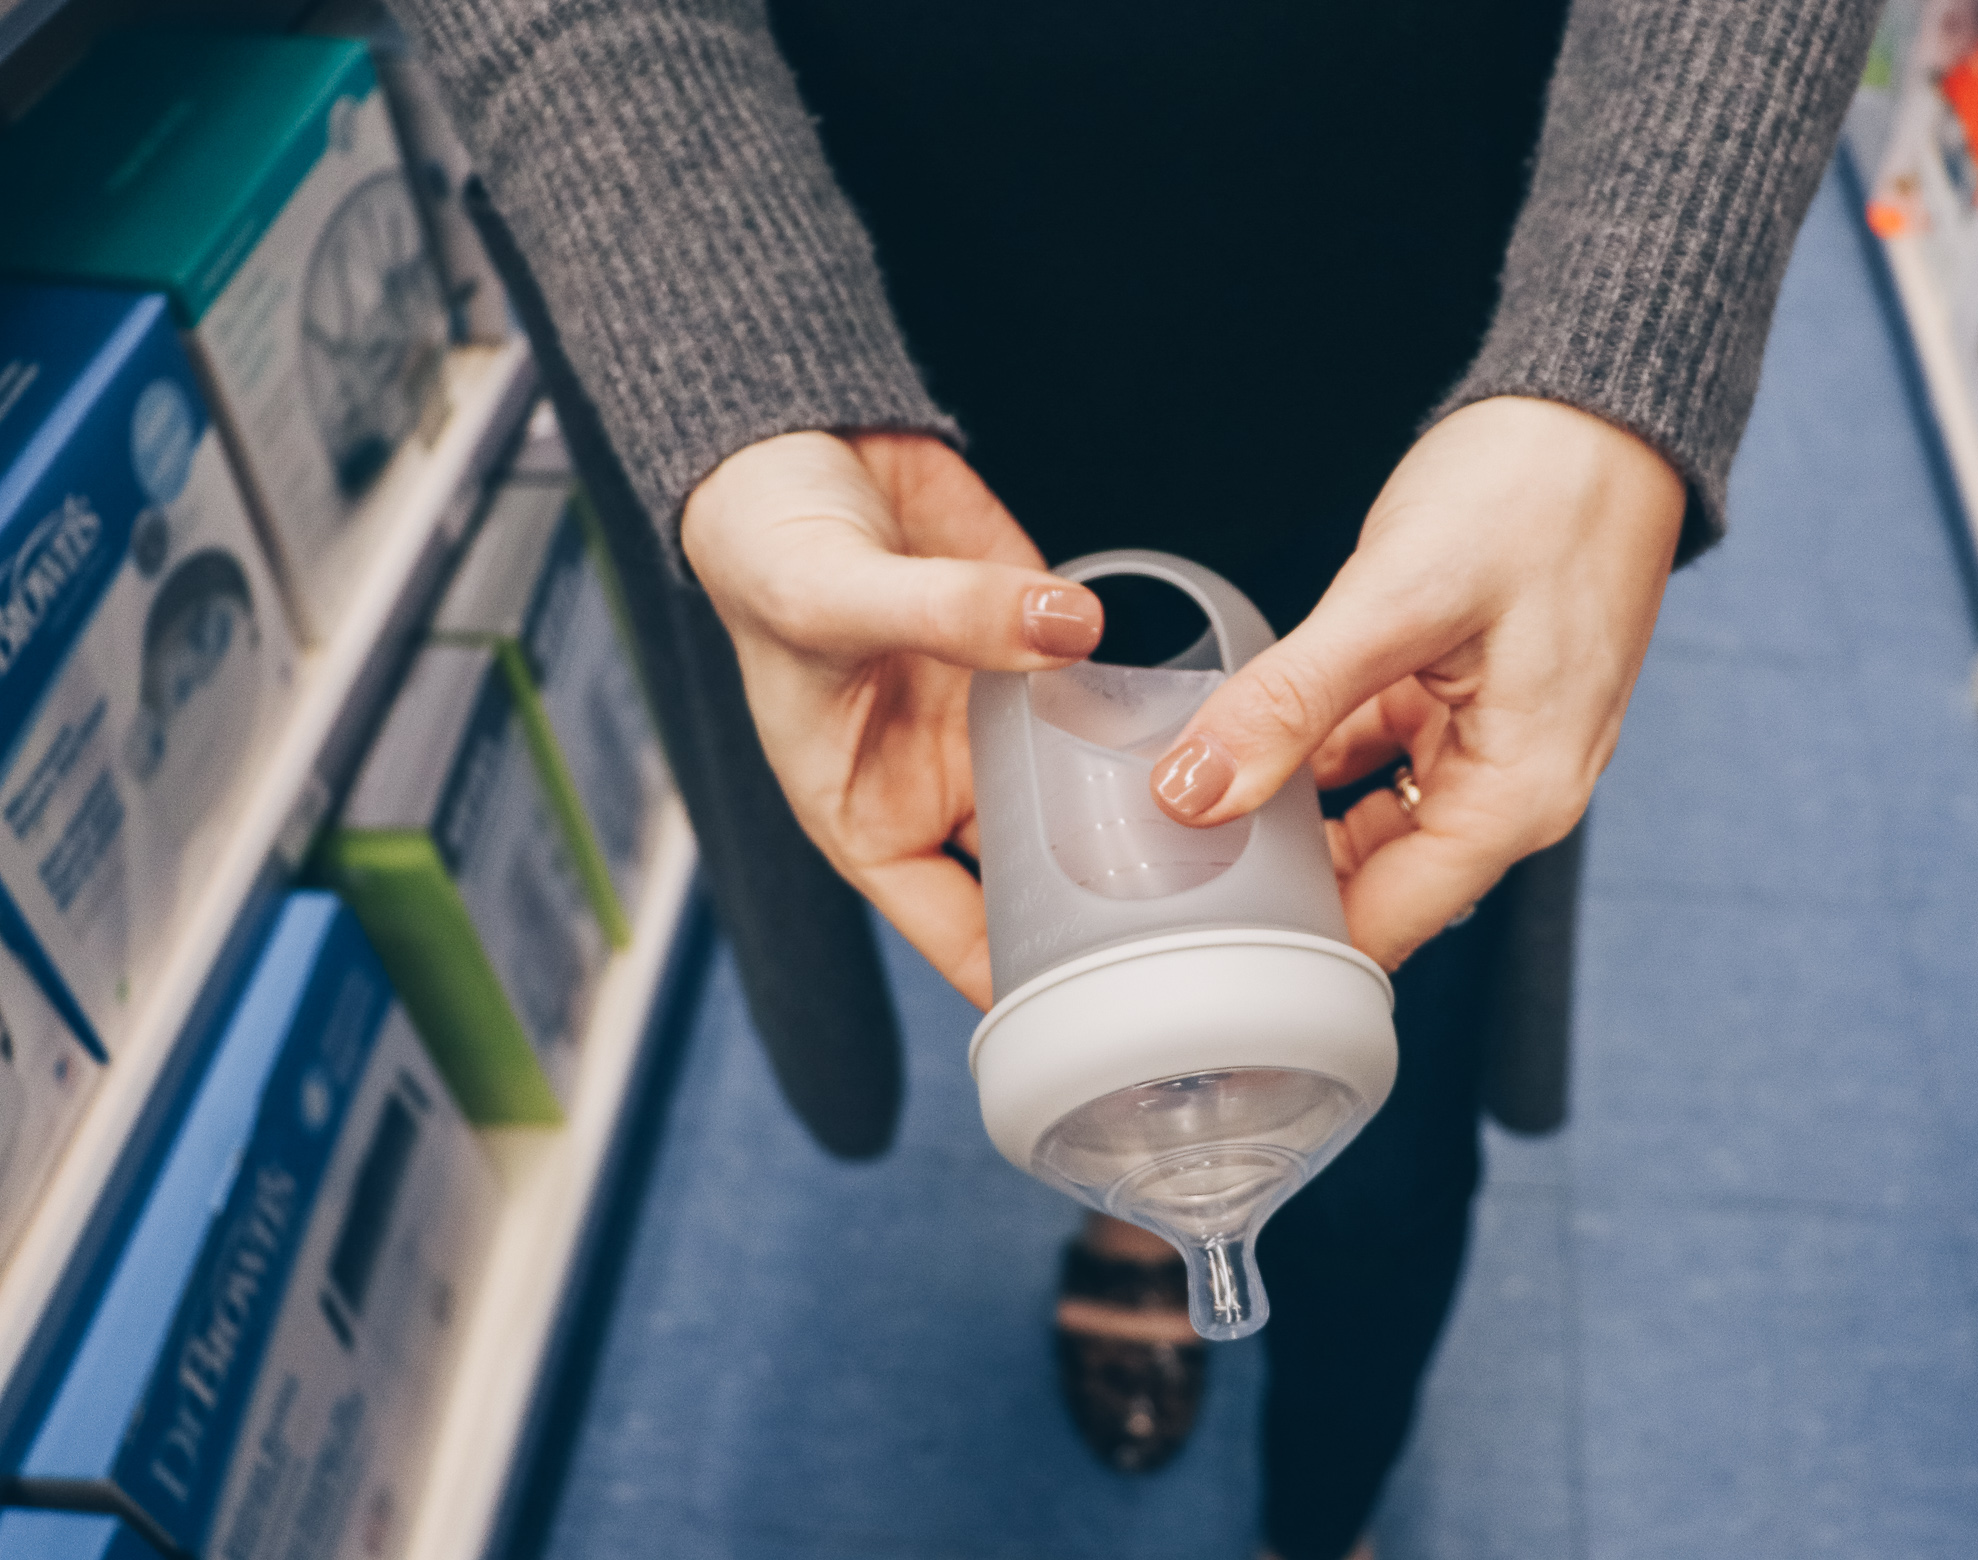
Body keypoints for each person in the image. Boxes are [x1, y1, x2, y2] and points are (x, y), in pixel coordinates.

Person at [386, 1, 1884, 1554]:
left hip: (1430, 324)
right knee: (1070, 914)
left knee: (1390, 1060)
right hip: (899, 325)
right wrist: (742, 356)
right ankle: (1142, 1198)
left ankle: (1328, 1506)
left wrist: (1618, 352)